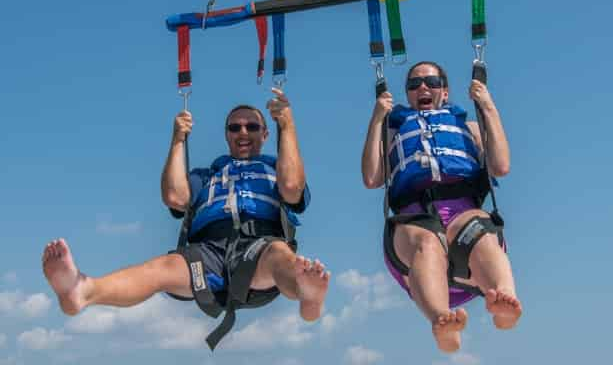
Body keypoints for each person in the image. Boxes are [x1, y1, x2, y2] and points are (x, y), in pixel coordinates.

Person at [42, 88, 330, 349]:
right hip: (208, 251)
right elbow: (174, 197)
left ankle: (308, 296)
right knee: (162, 267)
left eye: (252, 126)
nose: (243, 131)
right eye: (235, 127)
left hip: (260, 246)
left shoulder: (277, 169)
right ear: (227, 134)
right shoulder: (206, 175)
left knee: (280, 254)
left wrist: (287, 124)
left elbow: (292, 188)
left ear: (265, 134)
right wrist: (178, 139)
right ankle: (83, 290)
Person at [361, 61, 522, 353]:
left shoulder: (468, 126)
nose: (423, 88)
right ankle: (442, 319)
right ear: (408, 94)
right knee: (427, 240)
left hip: (463, 215)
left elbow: (501, 166)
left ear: (445, 92)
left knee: (480, 230)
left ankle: (504, 298)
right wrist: (377, 119)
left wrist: (487, 106)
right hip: (415, 221)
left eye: (432, 82)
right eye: (414, 84)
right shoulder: (393, 130)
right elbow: (372, 178)